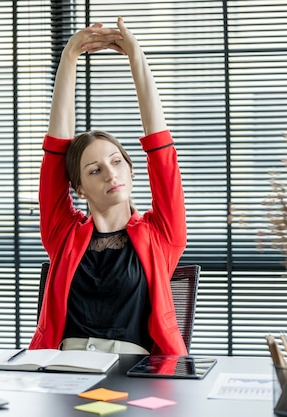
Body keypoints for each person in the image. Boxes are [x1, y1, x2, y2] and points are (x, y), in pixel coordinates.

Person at [29, 17, 187, 355]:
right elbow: (56, 149)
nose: (110, 174)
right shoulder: (62, 233)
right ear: (80, 188)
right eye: (95, 170)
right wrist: (69, 56)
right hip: (63, 370)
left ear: (131, 171)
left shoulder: (161, 235)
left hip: (134, 375)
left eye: (117, 163)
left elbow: (161, 148)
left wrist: (136, 57)